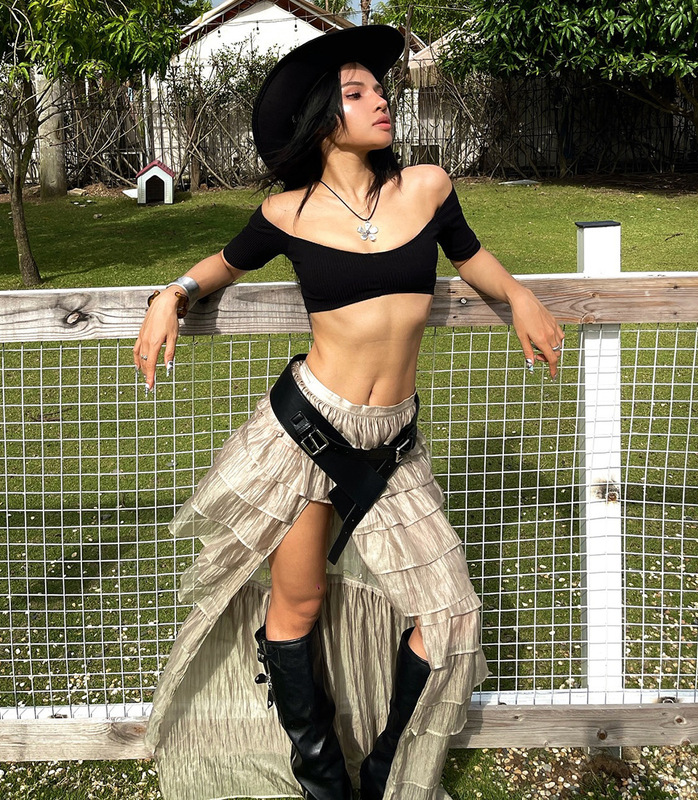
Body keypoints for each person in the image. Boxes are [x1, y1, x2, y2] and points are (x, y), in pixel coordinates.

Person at [135, 25, 564, 800]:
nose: (381, 102)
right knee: (297, 605)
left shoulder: (427, 188)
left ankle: (385, 773)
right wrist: (173, 295)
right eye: (357, 93)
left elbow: (472, 258)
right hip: (306, 431)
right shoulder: (286, 212)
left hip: (391, 443)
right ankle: (322, 779)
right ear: (322, 119)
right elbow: (221, 266)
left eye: (379, 89)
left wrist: (520, 295)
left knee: (450, 615)